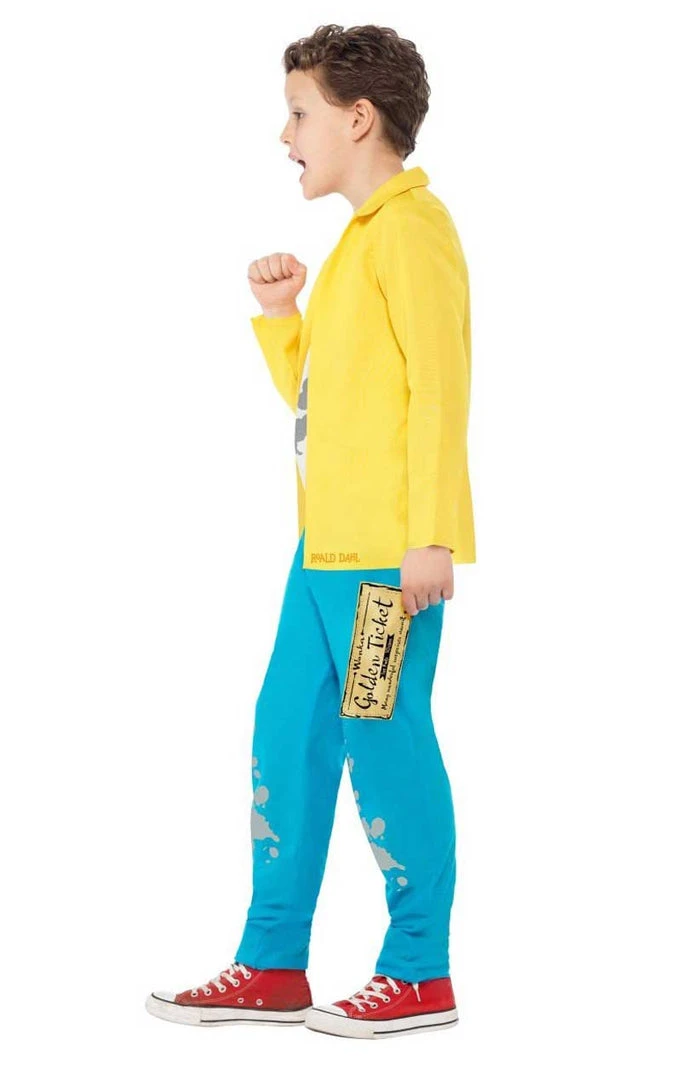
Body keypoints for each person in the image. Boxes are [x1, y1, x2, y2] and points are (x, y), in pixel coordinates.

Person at [146, 22, 475, 1040]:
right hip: (319, 558)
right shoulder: (356, 244)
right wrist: (284, 316)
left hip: (381, 566)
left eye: (298, 113)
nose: (284, 135)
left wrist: (433, 537)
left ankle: (418, 972)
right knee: (285, 735)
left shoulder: (412, 232)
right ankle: (271, 962)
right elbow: (322, 402)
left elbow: (439, 391)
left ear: (358, 117)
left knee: (382, 741)